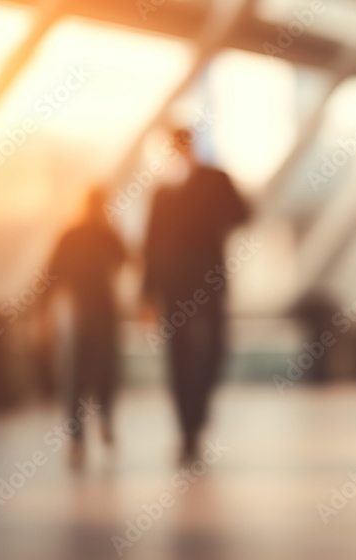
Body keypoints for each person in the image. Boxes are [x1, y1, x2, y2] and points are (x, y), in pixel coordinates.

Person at [142, 128, 250, 463]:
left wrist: (210, 214)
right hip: (173, 287)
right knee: (178, 358)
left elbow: (243, 213)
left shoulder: (215, 180)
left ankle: (198, 416)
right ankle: (187, 430)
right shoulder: (162, 191)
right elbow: (151, 244)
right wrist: (146, 294)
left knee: (215, 349)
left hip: (208, 282)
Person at [45, 187, 127, 469]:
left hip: (80, 315)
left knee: (76, 379)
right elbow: (126, 260)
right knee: (103, 373)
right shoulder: (106, 234)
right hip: (100, 313)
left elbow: (51, 275)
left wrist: (42, 313)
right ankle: (101, 423)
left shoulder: (72, 235)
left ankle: (79, 439)